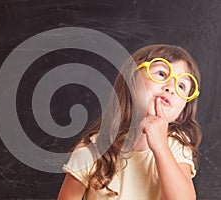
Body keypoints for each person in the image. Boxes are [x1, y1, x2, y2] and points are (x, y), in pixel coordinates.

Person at [57, 44, 202, 200]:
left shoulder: (176, 146)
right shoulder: (92, 150)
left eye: (181, 85)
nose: (170, 88)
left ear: (181, 113)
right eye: (161, 74)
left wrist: (161, 147)